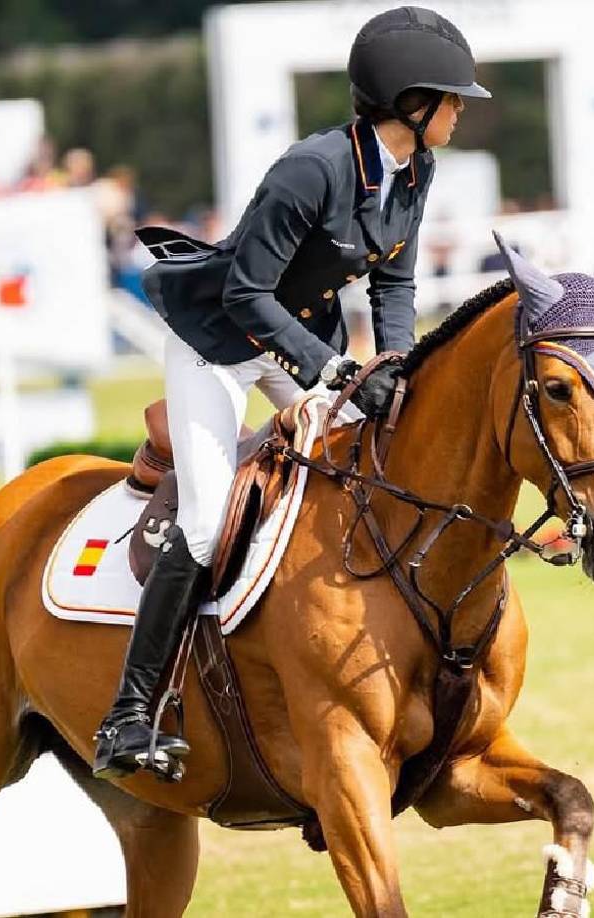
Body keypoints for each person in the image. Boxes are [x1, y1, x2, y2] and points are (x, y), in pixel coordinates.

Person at [92, 5, 491, 780]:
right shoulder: (313, 168)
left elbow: (395, 281)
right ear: (410, 101)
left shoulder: (416, 169)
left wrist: (398, 365)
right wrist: (332, 372)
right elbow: (246, 295)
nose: (459, 111)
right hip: (220, 344)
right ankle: (129, 714)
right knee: (206, 526)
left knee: (366, 467)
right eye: (450, 98)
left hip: (297, 341)